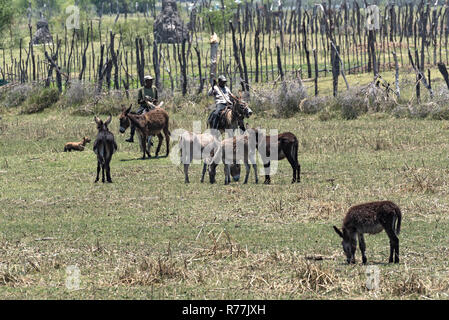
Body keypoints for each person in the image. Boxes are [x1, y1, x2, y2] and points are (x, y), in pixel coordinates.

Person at [126, 75, 158, 143]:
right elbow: (139, 101)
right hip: (143, 106)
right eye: (149, 81)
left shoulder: (154, 88)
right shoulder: (141, 90)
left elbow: (156, 99)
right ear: (146, 81)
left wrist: (154, 101)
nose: (151, 82)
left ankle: (158, 131)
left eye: (151, 81)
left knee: (161, 117)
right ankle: (131, 136)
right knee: (134, 118)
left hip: (152, 106)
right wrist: (144, 100)